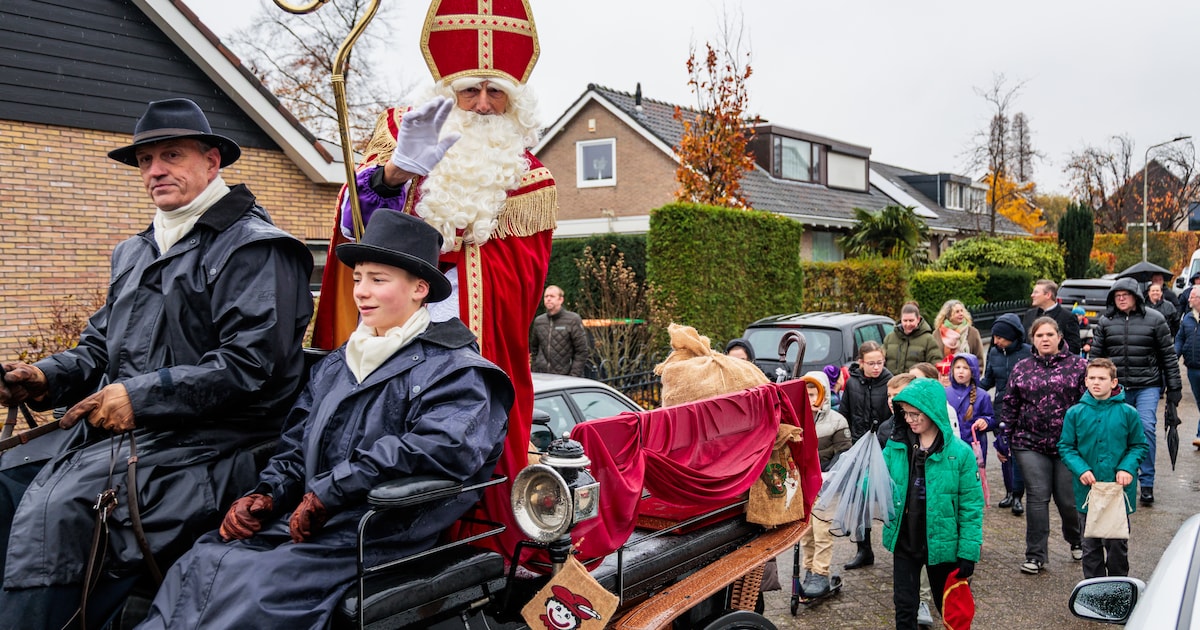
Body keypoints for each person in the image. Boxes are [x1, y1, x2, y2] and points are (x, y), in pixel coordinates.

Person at [0, 98, 314, 628]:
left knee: (62, 506)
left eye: (171, 155)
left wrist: (139, 397)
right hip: (140, 436)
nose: (155, 171)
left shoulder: (258, 249)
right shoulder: (135, 251)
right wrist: (42, 378)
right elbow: (100, 348)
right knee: (8, 478)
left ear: (212, 162)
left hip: (220, 441)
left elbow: (249, 365)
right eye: (146, 161)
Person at [138, 210, 515, 628]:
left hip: (379, 531)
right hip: (310, 517)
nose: (361, 292)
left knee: (258, 587)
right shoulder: (338, 364)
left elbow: (439, 449)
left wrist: (330, 493)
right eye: (358, 279)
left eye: (378, 279)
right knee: (204, 558)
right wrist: (269, 493)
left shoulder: (457, 371)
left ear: (419, 289)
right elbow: (297, 443)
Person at [310, 0, 555, 557]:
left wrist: (470, 254)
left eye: (498, 93)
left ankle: (478, 549)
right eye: (471, 90)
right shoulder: (402, 133)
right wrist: (397, 173)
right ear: (447, 87)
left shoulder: (531, 175)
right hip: (389, 340)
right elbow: (354, 233)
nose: (485, 104)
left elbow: (524, 287)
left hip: (468, 345)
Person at [884, 378, 985, 629]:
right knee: (904, 606)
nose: (909, 419)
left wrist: (968, 552)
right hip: (904, 540)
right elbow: (879, 485)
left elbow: (971, 507)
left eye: (915, 413)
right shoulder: (896, 447)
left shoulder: (960, 453)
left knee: (950, 609)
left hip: (943, 544)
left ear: (932, 410)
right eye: (905, 413)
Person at [1003, 317, 1087, 575]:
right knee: (1038, 497)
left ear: (1060, 337)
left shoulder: (1079, 366)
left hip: (1067, 445)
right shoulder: (1021, 368)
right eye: (1040, 335)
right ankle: (1035, 555)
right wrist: (1004, 435)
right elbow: (1010, 403)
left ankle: (1077, 539)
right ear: (1033, 340)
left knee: (1067, 500)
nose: (1045, 339)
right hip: (1029, 443)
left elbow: (1089, 402)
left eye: (1050, 334)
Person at [1090, 277, 1182, 507]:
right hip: (1116, 387)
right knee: (1113, 432)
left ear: (1136, 297)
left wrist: (1174, 388)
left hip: (1147, 385)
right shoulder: (1105, 322)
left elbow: (1169, 357)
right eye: (1116, 295)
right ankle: (1117, 477)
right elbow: (1095, 357)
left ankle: (1147, 482)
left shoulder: (1155, 319)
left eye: (1125, 294)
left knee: (1145, 427)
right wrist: (1091, 383)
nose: (1121, 298)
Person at [1057, 358, 1148, 579]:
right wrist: (1081, 469)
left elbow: (1139, 445)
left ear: (1113, 381)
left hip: (1118, 491)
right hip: (1087, 490)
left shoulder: (1128, 413)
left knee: (1117, 545)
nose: (1096, 382)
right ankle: (1094, 590)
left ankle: (1118, 589)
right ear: (1086, 381)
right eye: (1092, 378)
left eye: (1102, 378)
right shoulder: (1075, 413)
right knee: (1090, 544)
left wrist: (1127, 468)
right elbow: (1066, 446)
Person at [796, 370, 852, 598]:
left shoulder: (837, 421)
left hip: (827, 484)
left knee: (822, 530)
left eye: (813, 394)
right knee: (806, 532)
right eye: (806, 394)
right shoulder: (797, 418)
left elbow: (844, 453)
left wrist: (829, 474)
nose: (810, 400)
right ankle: (808, 570)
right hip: (804, 486)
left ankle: (821, 572)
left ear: (823, 394)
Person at [838, 341, 893, 570]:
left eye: (880, 362)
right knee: (860, 500)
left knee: (889, 498)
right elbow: (844, 414)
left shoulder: (890, 382)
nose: (876, 367)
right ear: (861, 362)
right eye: (871, 363)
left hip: (884, 447)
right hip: (858, 447)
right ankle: (864, 549)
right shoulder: (852, 384)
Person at [980, 314, 1032, 515]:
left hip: (1024, 408)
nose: (995, 341)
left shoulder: (1028, 352)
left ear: (1012, 336)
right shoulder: (993, 352)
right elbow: (988, 380)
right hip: (1001, 407)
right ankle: (1009, 492)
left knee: (1018, 452)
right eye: (994, 337)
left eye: (1000, 337)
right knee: (1004, 453)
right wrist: (970, 386)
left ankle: (1019, 495)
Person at [945, 354, 995, 466]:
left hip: (973, 446)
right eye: (957, 367)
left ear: (973, 372)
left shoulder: (982, 396)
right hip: (949, 446)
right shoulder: (944, 393)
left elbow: (992, 419)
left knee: (972, 477)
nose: (960, 371)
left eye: (965, 368)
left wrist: (985, 421)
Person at [530, 285, 591, 377]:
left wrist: (573, 376)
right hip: (542, 376)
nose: (548, 299)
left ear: (561, 300)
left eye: (552, 296)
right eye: (546, 296)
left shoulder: (572, 320)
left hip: (564, 377)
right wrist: (535, 370)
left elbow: (582, 351)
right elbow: (534, 349)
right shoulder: (539, 321)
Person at [1023, 280, 1082, 355]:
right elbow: (1024, 342)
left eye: (1036, 292)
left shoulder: (1068, 317)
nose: (1032, 295)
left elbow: (1074, 347)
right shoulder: (1029, 315)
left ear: (1048, 295)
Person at [884, 303, 943, 374]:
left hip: (917, 383)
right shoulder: (889, 338)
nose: (908, 324)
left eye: (911, 320)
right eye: (905, 321)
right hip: (893, 383)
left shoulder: (928, 339)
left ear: (918, 319)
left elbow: (935, 363)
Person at [1175, 289, 1200, 449]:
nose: (1189, 298)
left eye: (1193, 296)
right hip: (1192, 368)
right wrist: (1172, 358)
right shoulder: (1188, 319)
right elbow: (1179, 339)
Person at [932, 300, 985, 367]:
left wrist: (975, 374)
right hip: (944, 375)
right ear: (948, 315)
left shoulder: (972, 332)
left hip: (968, 375)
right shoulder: (937, 334)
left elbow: (979, 358)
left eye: (962, 311)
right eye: (957, 312)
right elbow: (934, 357)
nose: (961, 314)